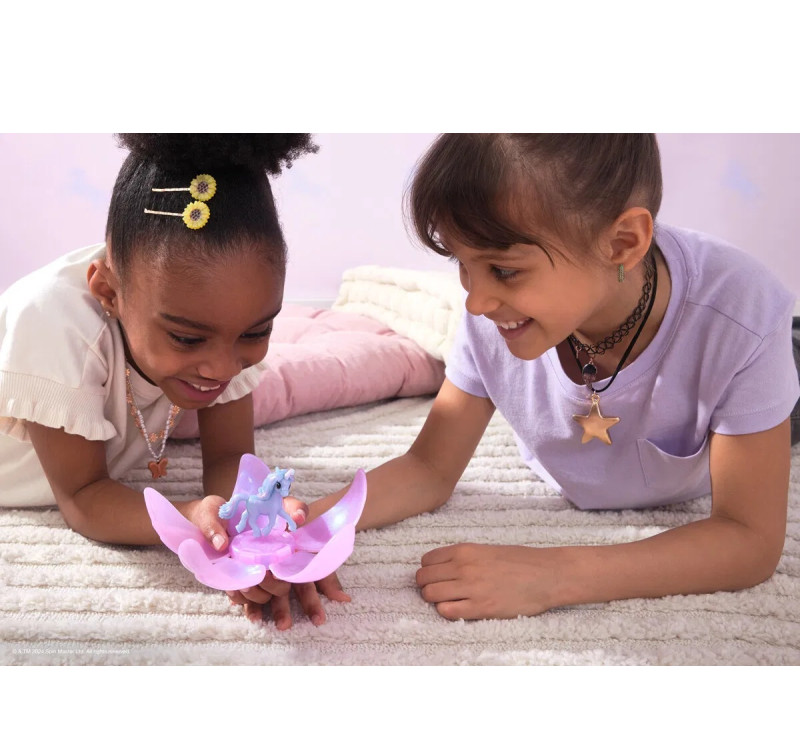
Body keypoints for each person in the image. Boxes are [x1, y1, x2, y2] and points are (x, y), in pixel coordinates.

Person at [304, 133, 800, 622]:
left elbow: (749, 539)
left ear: (622, 244)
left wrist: (553, 575)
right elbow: (428, 468)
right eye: (461, 263)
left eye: (504, 271)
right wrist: (308, 528)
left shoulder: (744, 318)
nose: (475, 302)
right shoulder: (492, 315)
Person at [0, 133, 347, 628]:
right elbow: (83, 497)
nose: (222, 368)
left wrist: (256, 532)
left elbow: (229, 458)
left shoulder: (222, 325)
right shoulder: (54, 324)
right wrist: (189, 519)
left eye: (256, 332)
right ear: (108, 293)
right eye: (187, 338)